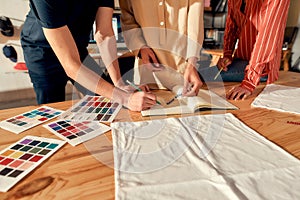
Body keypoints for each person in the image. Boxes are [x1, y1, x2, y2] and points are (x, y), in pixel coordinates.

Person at [20, 0, 157, 111]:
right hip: (41, 51)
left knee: (105, 100)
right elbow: (71, 65)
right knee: (53, 108)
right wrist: (125, 98)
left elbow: (104, 34)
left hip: (77, 46)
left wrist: (118, 84)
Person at [200, 0, 290, 100]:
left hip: (262, 69)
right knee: (194, 76)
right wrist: (227, 55)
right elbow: (232, 23)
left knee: (197, 76)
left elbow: (267, 36)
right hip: (240, 60)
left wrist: (249, 82)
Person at [119, 0, 204, 96]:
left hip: (183, 76)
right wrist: (140, 46)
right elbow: (127, 18)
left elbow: (195, 21)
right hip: (147, 78)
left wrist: (191, 64)